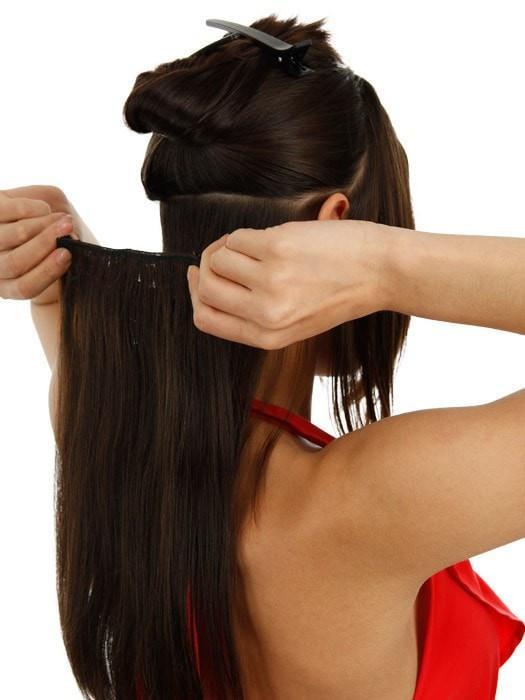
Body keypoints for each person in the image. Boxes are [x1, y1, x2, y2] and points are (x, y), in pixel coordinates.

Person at [2, 14, 524, 700]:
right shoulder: (376, 500)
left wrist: (65, 267)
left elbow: (116, 346)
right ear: (338, 222)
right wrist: (387, 266)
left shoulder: (109, 426)